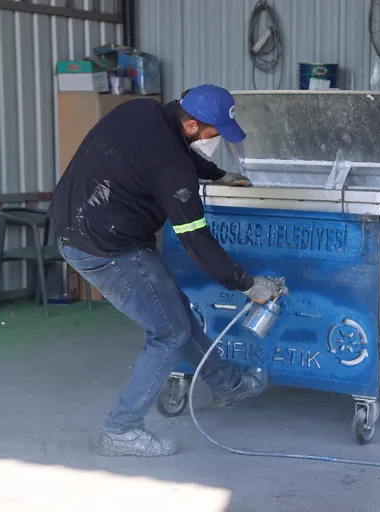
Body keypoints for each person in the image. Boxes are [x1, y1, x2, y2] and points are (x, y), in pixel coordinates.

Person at [48, 84, 285, 457]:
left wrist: (216, 173)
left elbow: (169, 154)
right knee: (169, 331)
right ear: (191, 125)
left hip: (75, 228)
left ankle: (227, 384)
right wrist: (247, 284)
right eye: (214, 132)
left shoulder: (143, 111)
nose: (216, 138)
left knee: (175, 315)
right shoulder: (174, 169)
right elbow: (198, 245)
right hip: (107, 248)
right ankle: (121, 429)